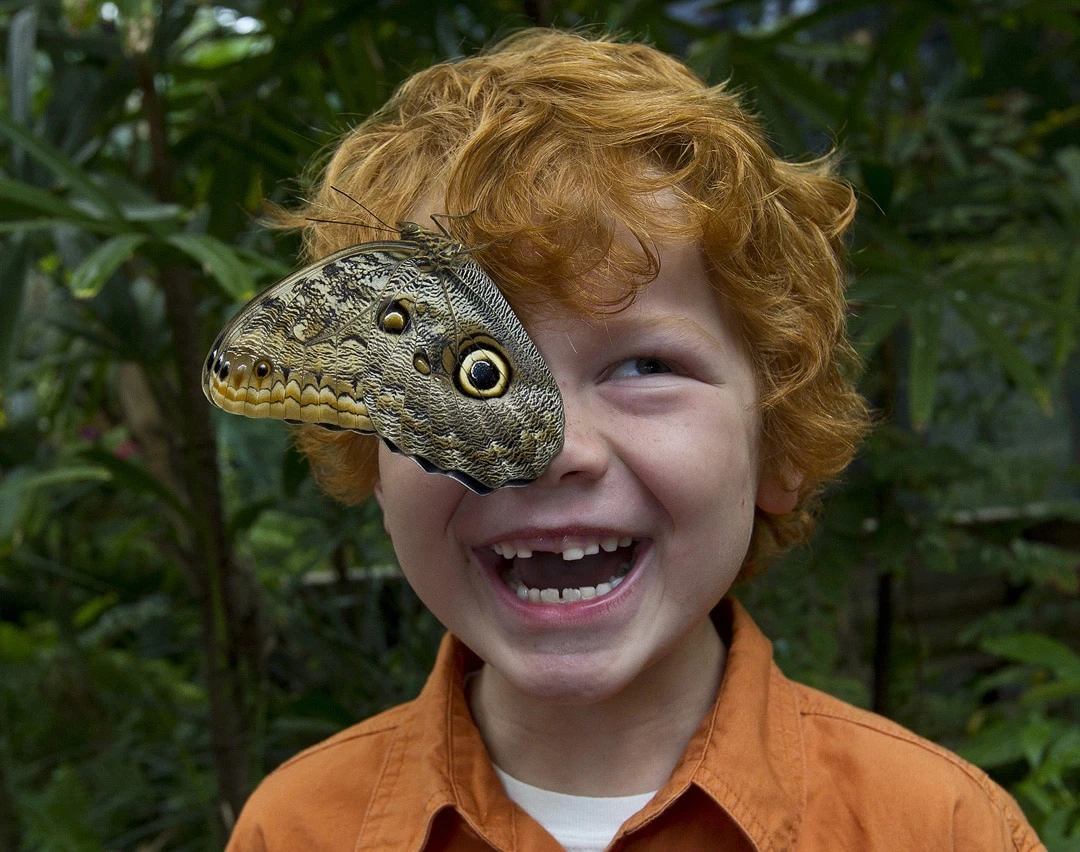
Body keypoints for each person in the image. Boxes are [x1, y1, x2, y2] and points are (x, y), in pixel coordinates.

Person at [226, 28, 1043, 852]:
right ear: (372, 452)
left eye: (644, 366)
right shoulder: (295, 830)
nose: (549, 451)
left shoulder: (938, 828)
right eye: (464, 380)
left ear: (780, 441)